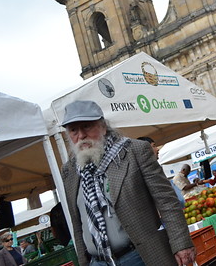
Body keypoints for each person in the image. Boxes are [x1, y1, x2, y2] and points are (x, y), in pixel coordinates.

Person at [59, 100, 195, 266]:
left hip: (139, 257)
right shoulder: (70, 171)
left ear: (102, 126)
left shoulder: (135, 151)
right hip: (98, 262)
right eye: (73, 130)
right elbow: (77, 222)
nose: (80, 136)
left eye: (86, 126)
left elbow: (167, 201)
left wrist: (181, 244)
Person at [138, 136, 185, 206]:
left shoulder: (156, 169)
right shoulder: (147, 174)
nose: (157, 149)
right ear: (145, 149)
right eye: (154, 146)